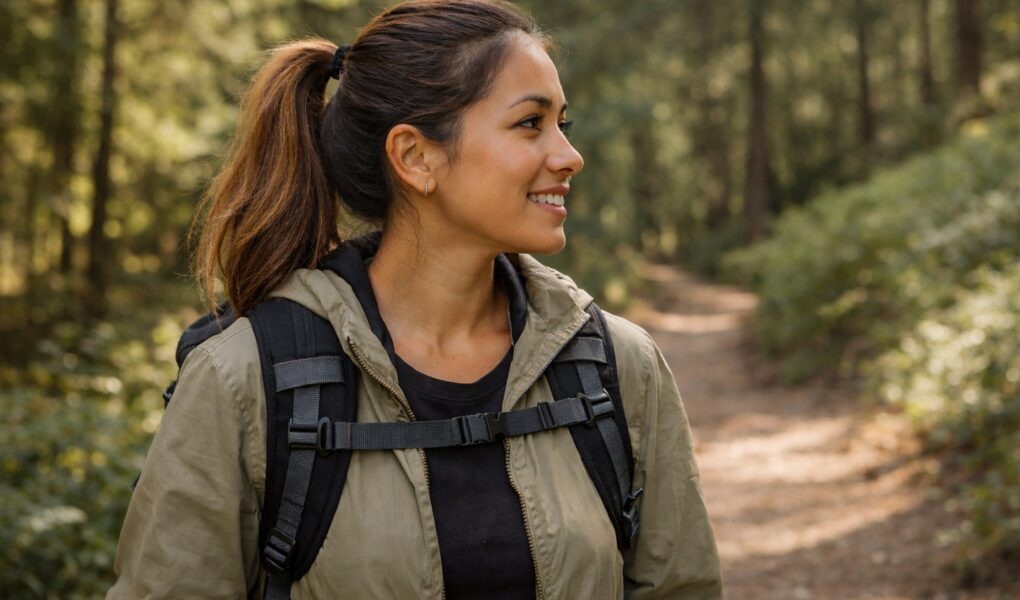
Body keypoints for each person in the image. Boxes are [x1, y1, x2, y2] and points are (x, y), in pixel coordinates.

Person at [107, 0, 722, 598]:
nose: (568, 155)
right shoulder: (242, 380)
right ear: (415, 156)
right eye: (530, 123)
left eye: (564, 123)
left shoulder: (618, 367)